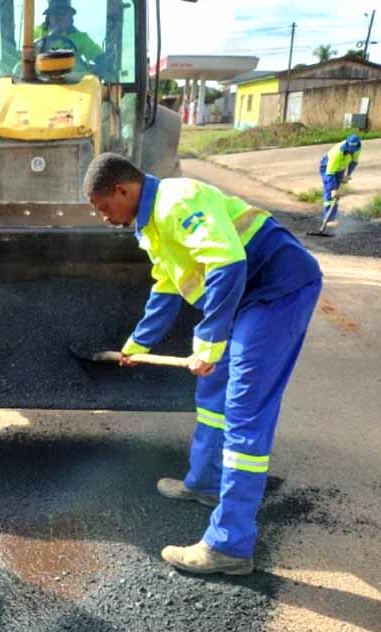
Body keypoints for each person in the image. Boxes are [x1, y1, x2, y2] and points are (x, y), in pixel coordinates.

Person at [83, 153, 323, 575]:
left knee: (245, 414)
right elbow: (166, 286)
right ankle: (206, 484)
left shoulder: (178, 200)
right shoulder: (152, 224)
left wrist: (209, 343)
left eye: (104, 208)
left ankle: (229, 545)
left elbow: (228, 263)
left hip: (276, 292)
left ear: (123, 190)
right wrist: (138, 343)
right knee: (212, 392)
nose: (104, 218)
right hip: (247, 298)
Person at [34, 0, 103, 73]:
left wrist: (101, 67)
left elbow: (101, 58)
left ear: (70, 16)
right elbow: (25, 58)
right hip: (39, 82)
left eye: (63, 13)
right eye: (55, 12)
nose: (59, 17)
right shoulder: (36, 33)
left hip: (74, 83)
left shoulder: (80, 38)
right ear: (48, 16)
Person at [318, 134, 361, 228]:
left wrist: (348, 175)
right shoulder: (336, 153)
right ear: (347, 145)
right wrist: (333, 189)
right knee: (331, 192)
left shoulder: (358, 148)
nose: (352, 151)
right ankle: (329, 219)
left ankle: (331, 217)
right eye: (350, 149)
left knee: (336, 195)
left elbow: (353, 162)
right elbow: (330, 173)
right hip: (327, 168)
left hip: (340, 168)